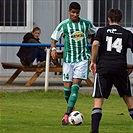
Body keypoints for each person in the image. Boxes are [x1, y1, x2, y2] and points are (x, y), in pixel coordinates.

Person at [50, 2, 97, 125]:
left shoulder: (86, 23)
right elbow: (54, 39)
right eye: (73, 12)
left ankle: (66, 115)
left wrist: (92, 48)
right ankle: (72, 107)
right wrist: (53, 49)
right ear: (69, 12)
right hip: (68, 60)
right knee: (67, 90)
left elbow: (94, 33)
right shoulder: (64, 25)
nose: (75, 15)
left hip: (82, 59)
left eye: (77, 13)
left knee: (75, 86)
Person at [89, 9, 133, 133]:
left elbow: (94, 44)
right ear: (121, 20)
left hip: (104, 68)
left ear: (108, 19)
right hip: (120, 68)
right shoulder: (127, 33)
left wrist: (93, 61)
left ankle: (94, 131)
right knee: (128, 98)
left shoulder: (101, 31)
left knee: (98, 99)